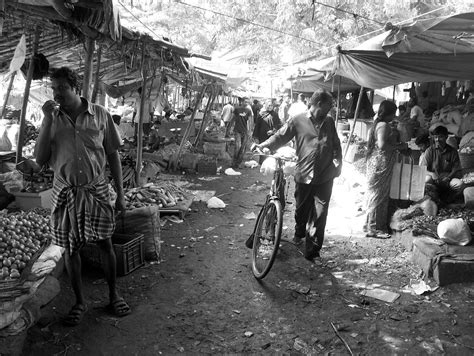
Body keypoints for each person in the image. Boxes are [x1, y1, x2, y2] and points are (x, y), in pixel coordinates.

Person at [35, 67, 131, 326]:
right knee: (70, 248)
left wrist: (121, 194)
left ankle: (113, 295)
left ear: (75, 88)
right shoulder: (51, 118)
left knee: (105, 244)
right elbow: (40, 158)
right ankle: (79, 302)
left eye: (62, 88)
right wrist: (46, 121)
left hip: (96, 188)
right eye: (54, 88)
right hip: (65, 190)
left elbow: (113, 154)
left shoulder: (100, 114)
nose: (57, 93)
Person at [253, 89, 342, 261]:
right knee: (301, 211)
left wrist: (338, 164)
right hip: (304, 174)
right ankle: (300, 230)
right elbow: (280, 136)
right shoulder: (298, 120)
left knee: (320, 214)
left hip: (325, 176)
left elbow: (336, 144)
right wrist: (265, 145)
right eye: (329, 105)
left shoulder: (329, 122)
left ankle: (312, 251)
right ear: (319, 104)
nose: (331, 109)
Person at [365, 100, 409, 239]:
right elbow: (382, 145)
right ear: (389, 113)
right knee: (379, 195)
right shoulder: (383, 125)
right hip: (381, 163)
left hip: (378, 162)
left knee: (375, 194)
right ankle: (376, 228)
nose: (394, 116)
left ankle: (371, 225)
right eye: (393, 113)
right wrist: (399, 147)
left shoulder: (378, 124)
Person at [420, 125, 464, 205]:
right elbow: (423, 168)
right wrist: (432, 174)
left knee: (459, 184)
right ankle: (433, 201)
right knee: (426, 180)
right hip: (434, 179)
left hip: (448, 179)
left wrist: (449, 177)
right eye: (435, 137)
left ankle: (449, 200)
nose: (437, 140)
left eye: (440, 137)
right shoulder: (429, 151)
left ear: (446, 137)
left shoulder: (453, 151)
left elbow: (455, 168)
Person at [252, 100, 281, 164]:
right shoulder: (261, 113)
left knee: (272, 149)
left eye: (271, 105)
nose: (270, 107)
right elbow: (257, 125)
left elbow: (278, 125)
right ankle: (262, 163)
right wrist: (255, 136)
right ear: (265, 105)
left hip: (272, 136)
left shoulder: (275, 114)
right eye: (268, 105)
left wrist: (273, 131)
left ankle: (271, 164)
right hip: (262, 135)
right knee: (262, 149)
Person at [231, 97, 253, 168]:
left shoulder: (248, 110)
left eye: (247, 102)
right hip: (237, 130)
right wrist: (229, 128)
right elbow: (233, 119)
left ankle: (238, 163)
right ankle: (234, 162)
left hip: (245, 131)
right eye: (245, 102)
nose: (246, 103)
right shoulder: (237, 109)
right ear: (242, 102)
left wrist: (249, 132)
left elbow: (249, 122)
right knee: (238, 146)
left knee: (243, 148)